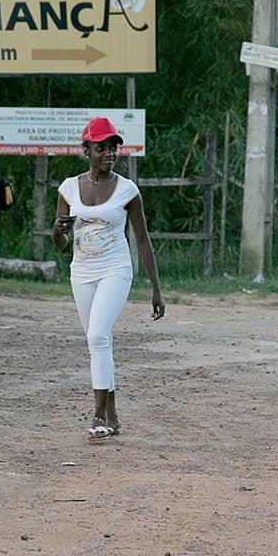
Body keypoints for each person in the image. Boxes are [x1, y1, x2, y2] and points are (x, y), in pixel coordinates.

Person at [52, 116, 165, 441]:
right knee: (99, 343)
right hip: (82, 272)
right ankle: (113, 414)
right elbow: (60, 246)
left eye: (113, 147)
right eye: (101, 148)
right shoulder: (69, 188)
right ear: (86, 150)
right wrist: (59, 232)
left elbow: (143, 240)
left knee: (98, 337)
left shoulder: (128, 190)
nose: (109, 153)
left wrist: (156, 289)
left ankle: (99, 413)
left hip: (116, 269)